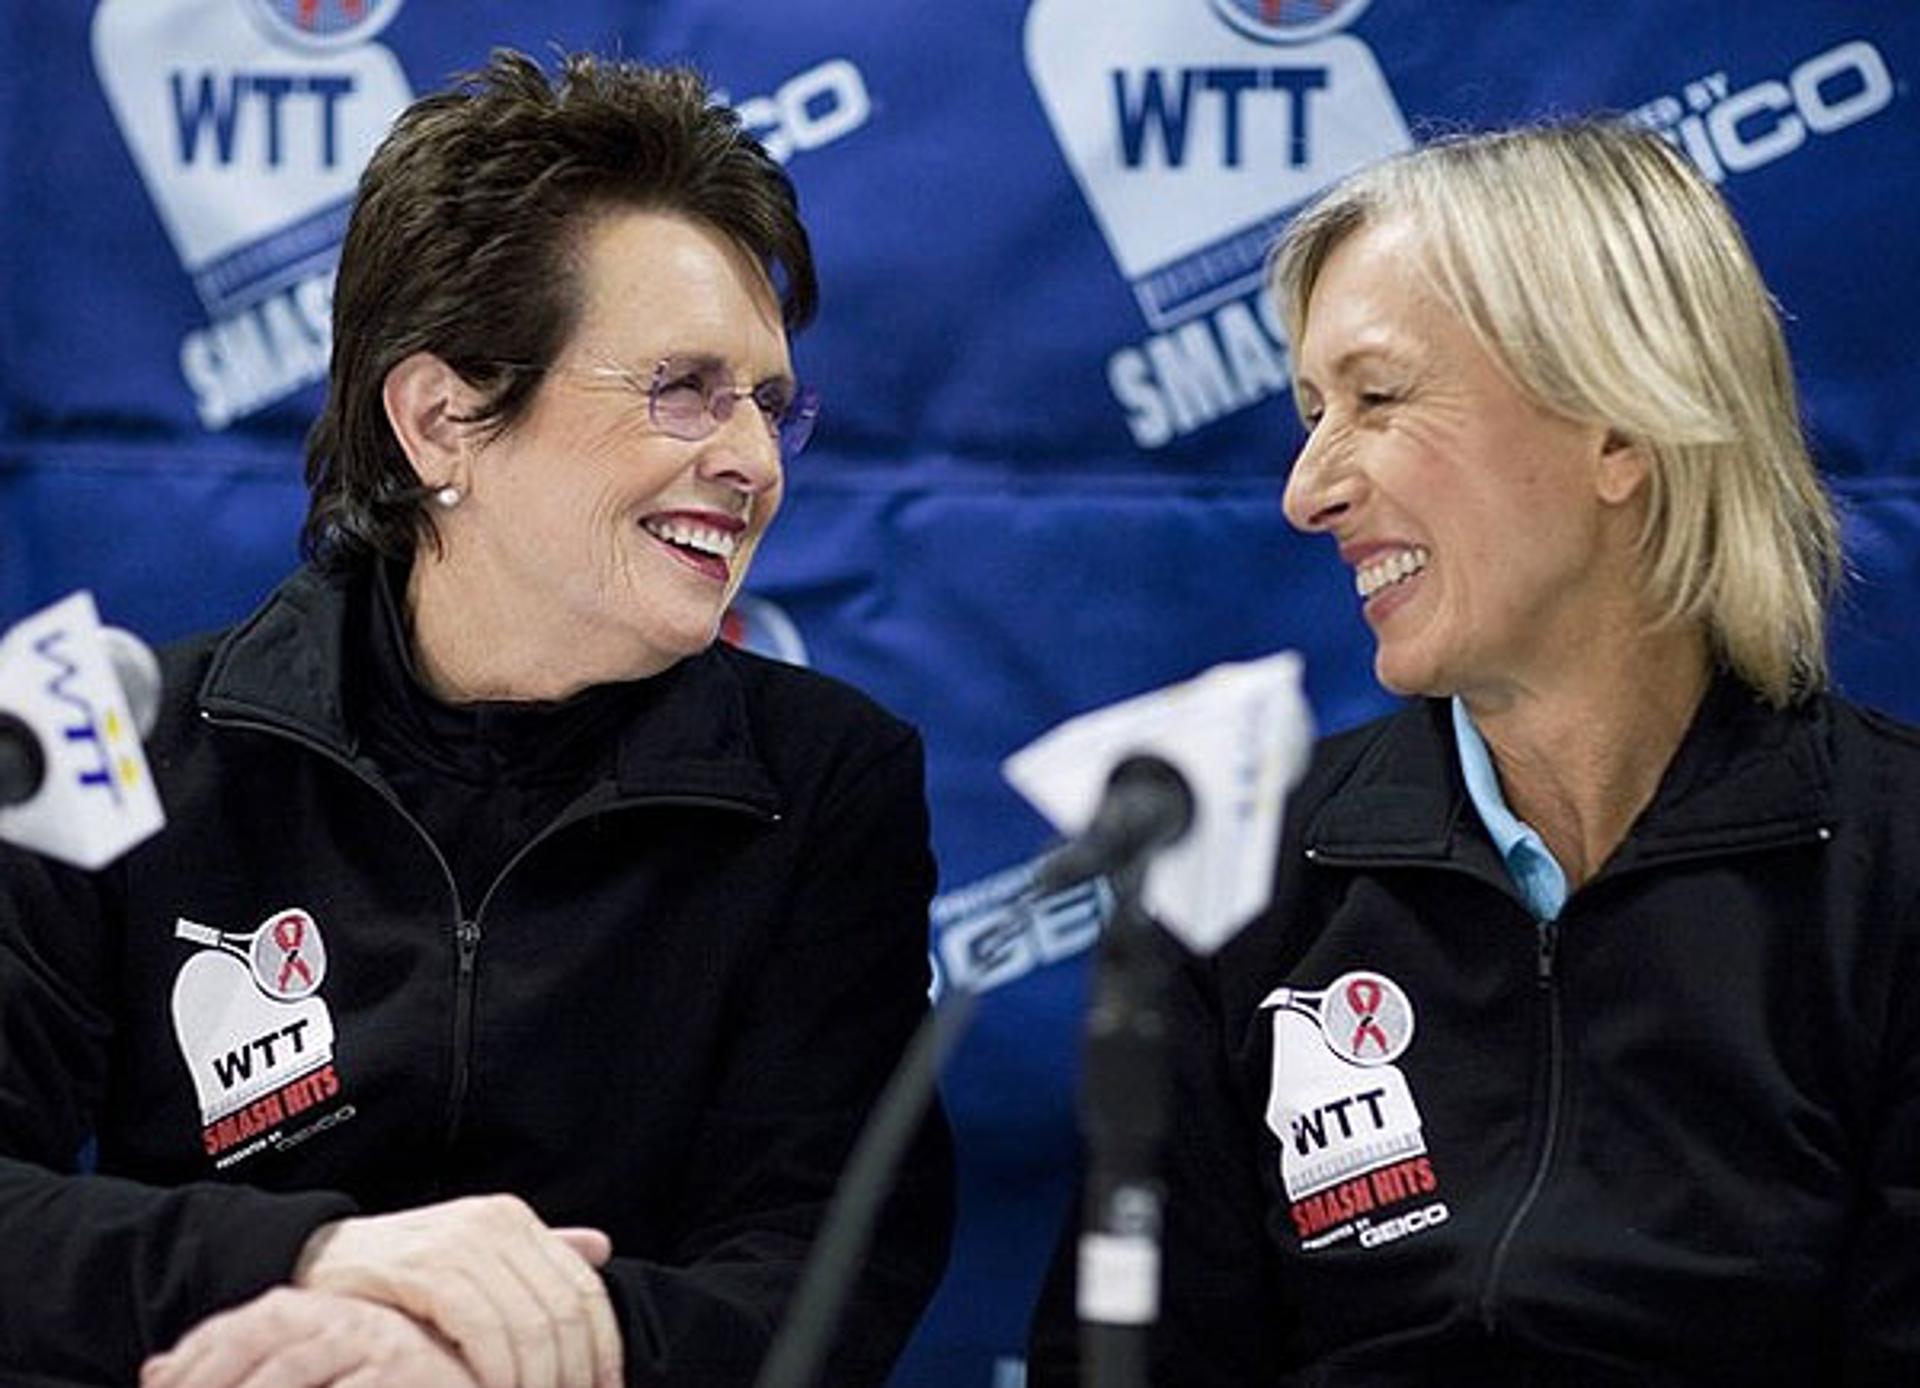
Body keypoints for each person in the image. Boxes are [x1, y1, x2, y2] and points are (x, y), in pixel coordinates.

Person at [0, 49, 952, 1388]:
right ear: (443, 419)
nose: (747, 459)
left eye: (770, 406)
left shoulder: (824, 782)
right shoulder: (132, 746)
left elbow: (828, 1264)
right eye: (684, 389)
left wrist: (479, 1357)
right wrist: (318, 1268)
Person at [1029, 120, 1920, 1385]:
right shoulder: (1246, 879)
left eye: (1378, 398)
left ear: (1619, 423)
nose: (1308, 488)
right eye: (1311, 410)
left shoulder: (1891, 870)